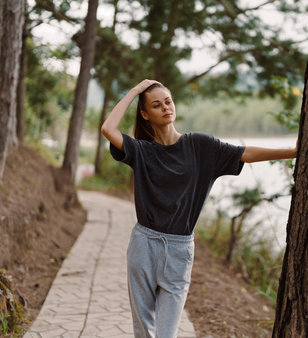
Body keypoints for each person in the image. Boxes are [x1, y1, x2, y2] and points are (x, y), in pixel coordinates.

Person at [101, 79, 297, 338]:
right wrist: (135, 92)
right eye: (156, 105)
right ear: (145, 114)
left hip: (180, 249)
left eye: (168, 101)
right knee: (143, 330)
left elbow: (244, 153)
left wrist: (293, 152)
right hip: (144, 245)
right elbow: (108, 128)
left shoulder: (200, 146)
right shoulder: (141, 151)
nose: (165, 108)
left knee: (166, 333)